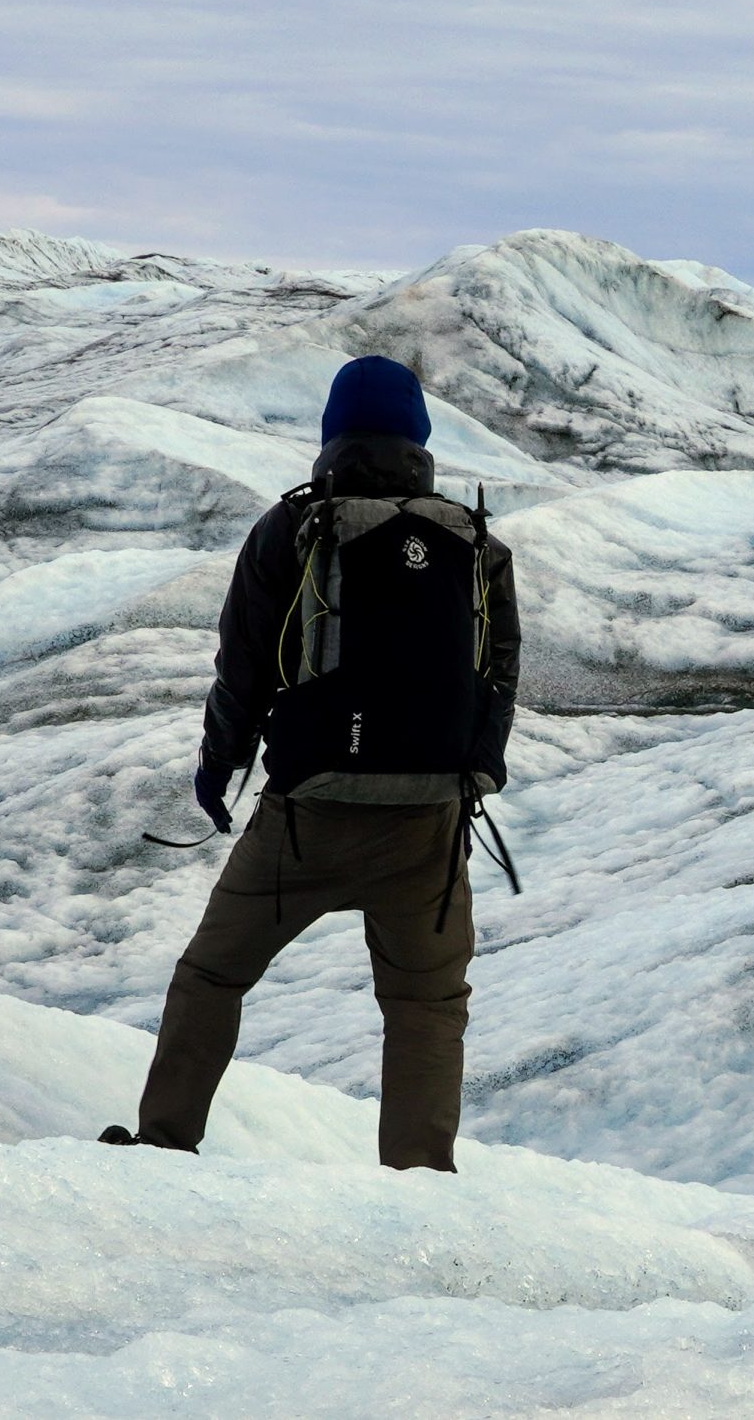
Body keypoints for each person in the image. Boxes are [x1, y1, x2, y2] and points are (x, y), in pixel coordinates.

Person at [103, 355, 522, 1171]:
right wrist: (475, 773)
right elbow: (500, 674)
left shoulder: (291, 529)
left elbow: (244, 668)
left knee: (212, 976)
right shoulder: (475, 543)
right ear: (421, 438)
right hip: (430, 829)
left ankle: (163, 1145)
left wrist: (218, 769)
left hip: (307, 822)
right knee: (426, 1005)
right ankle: (421, 1184)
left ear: (333, 432)